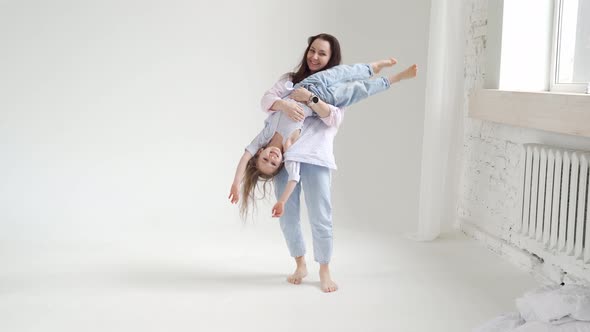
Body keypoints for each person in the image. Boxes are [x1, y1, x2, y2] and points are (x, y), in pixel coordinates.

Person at [229, 33, 417, 292]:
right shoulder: (288, 87)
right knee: (288, 218)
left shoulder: (326, 83)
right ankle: (300, 264)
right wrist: (284, 104)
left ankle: (325, 269)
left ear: (330, 58)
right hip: (290, 158)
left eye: (322, 53)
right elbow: (266, 103)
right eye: (312, 51)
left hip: (317, 157)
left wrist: (309, 99)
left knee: (321, 216)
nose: (314, 56)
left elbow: (334, 119)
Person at [230, 60, 418, 218]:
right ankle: (395, 79)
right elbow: (294, 178)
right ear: (279, 163)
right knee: (359, 90)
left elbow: (246, 156)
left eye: (265, 159)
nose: (272, 157)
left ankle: (371, 67)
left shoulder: (266, 134)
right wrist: (282, 201)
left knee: (342, 72)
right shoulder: (290, 149)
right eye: (273, 163)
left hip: (307, 86)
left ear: (260, 152)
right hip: (323, 100)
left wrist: (236, 183)